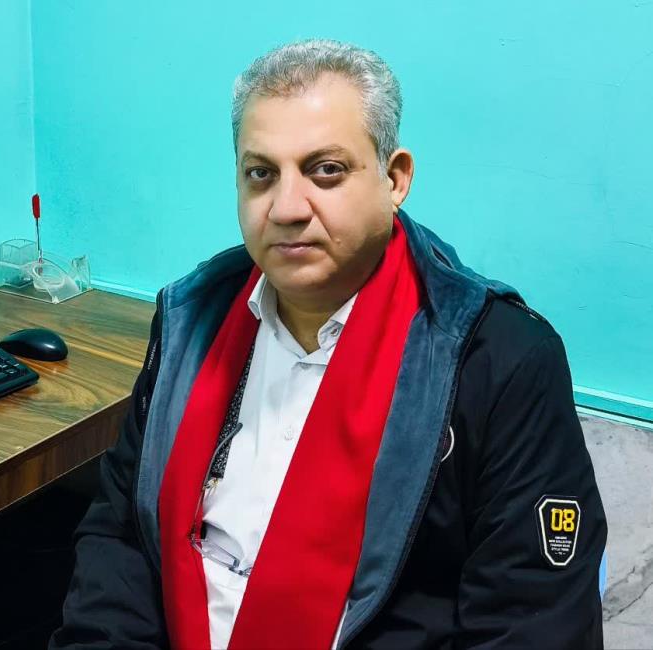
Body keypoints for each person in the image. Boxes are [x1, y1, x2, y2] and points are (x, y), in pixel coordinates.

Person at [50, 39, 606, 649]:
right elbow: (123, 538)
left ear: (395, 178)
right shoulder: (191, 320)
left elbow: (533, 620)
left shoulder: (496, 360)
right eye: (261, 174)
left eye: (326, 171)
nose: (287, 208)